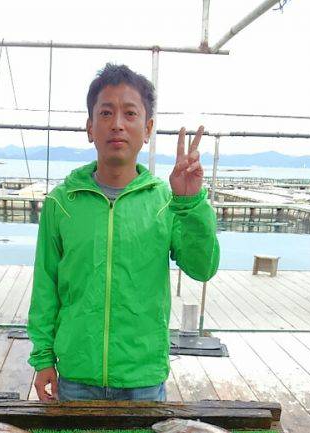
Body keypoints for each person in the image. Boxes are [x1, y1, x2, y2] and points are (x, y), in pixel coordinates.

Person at [28, 63, 219, 402]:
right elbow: (46, 287)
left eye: (130, 113)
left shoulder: (166, 201)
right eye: (106, 112)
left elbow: (202, 267)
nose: (117, 124)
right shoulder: (62, 203)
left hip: (143, 380)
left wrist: (190, 203)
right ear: (90, 127)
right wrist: (44, 358)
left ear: (147, 129)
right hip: (75, 377)